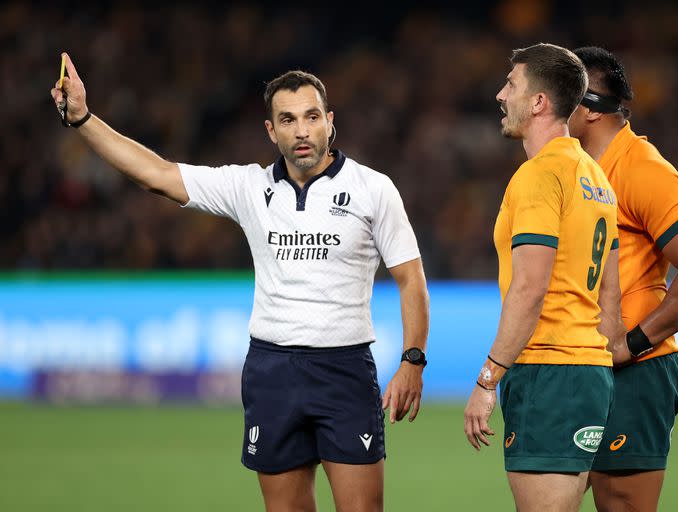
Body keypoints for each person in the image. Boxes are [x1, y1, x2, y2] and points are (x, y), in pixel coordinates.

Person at [51, 52, 429, 512]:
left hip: (344, 371)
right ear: (271, 131)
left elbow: (411, 279)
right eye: (287, 120)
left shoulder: (374, 188)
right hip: (273, 371)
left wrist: (413, 359)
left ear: (330, 122)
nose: (302, 130)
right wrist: (84, 119)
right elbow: (157, 175)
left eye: (312, 117)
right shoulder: (248, 187)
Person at [569, 46, 678, 511]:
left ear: (589, 109)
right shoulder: (580, 169)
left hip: (633, 375)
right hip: (584, 366)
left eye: (562, 95)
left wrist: (634, 342)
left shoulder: (641, 168)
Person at [464, 43, 622, 512]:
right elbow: (609, 298)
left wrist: (487, 379)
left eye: (511, 84)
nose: (499, 94)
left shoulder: (539, 176)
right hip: (588, 373)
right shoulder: (596, 178)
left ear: (539, 102)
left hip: (550, 372)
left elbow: (530, 288)